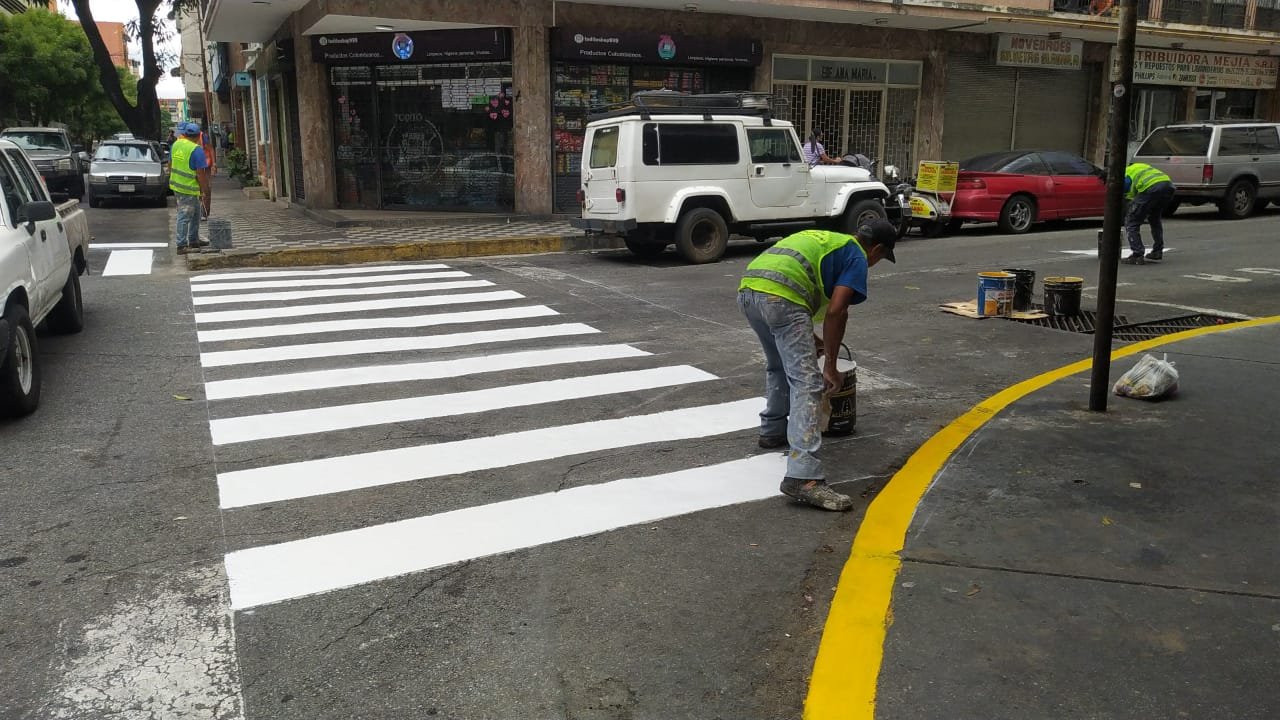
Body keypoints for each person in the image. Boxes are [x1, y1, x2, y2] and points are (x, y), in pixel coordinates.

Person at [737, 220, 898, 511]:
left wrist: (812, 339)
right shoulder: (857, 255)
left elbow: (789, 286)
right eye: (881, 258)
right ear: (876, 249)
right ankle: (803, 477)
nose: (875, 264)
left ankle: (772, 430)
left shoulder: (828, 239)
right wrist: (831, 366)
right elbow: (837, 311)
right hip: (781, 298)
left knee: (777, 365)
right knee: (808, 383)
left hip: (750, 291)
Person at [1121, 162, 1175, 265]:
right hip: (1168, 186)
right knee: (1154, 218)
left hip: (1151, 188)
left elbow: (1129, 196)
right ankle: (1157, 251)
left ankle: (1137, 254)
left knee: (1131, 221)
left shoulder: (1125, 174)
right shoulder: (1139, 166)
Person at [170, 122, 211, 255]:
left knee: (196, 214)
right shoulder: (196, 149)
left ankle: (193, 240)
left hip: (177, 185)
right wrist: (204, 190)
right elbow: (200, 173)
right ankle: (181, 245)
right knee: (185, 215)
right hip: (188, 188)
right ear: (199, 135)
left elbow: (170, 164)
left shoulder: (176, 144)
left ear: (185, 134)